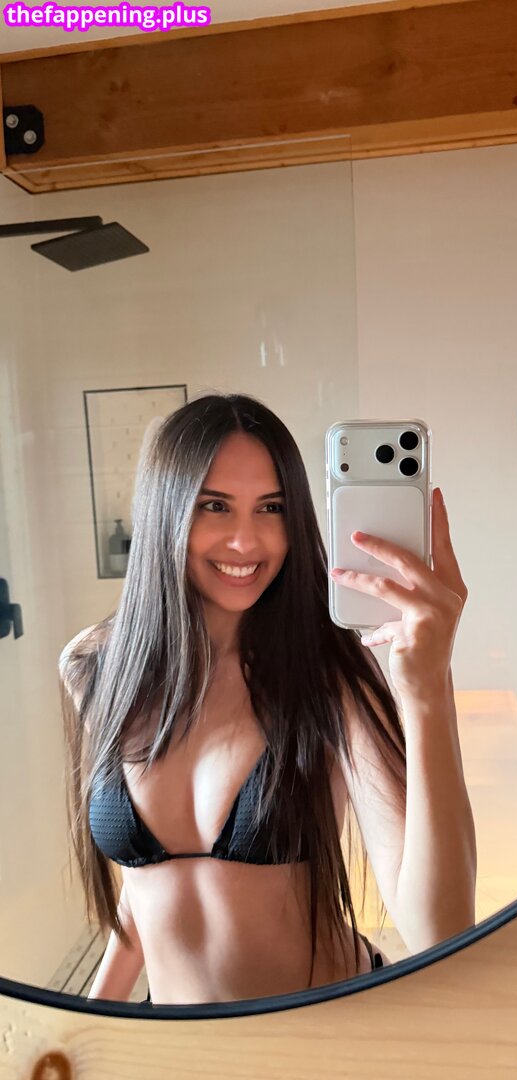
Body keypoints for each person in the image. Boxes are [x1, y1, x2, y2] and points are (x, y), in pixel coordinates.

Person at [59, 392, 476, 1006]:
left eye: (271, 507)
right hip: (176, 1044)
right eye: (215, 506)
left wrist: (427, 690)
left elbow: (440, 929)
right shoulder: (96, 667)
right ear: (166, 510)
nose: (245, 541)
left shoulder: (329, 673)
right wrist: (92, 1021)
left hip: (320, 1037)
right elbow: (150, 885)